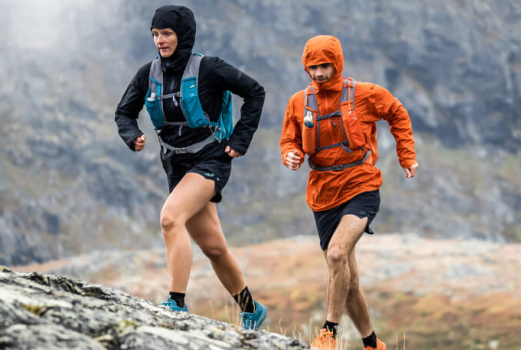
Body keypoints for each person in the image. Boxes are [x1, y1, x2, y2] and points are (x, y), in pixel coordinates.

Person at [114, 5, 267, 330]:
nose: (160, 40)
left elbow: (255, 92)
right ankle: (251, 309)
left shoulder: (209, 68)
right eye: (155, 34)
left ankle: (176, 303)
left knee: (171, 219)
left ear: (182, 35)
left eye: (166, 33)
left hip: (211, 160)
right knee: (213, 247)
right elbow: (123, 113)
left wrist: (241, 139)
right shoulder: (147, 74)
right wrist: (133, 135)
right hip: (175, 165)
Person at [280, 35, 418, 350]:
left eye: (325, 66)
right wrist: (290, 154)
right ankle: (373, 345)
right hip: (322, 193)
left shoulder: (365, 94)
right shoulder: (298, 103)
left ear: (337, 63)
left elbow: (397, 114)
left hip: (361, 185)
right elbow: (289, 140)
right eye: (313, 67)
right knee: (348, 280)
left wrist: (406, 156)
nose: (318, 73)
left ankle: (329, 332)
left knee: (337, 253)